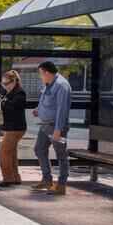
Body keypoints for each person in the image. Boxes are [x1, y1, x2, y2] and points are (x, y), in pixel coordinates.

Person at [31, 61, 72, 195]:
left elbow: (62, 109)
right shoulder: (49, 83)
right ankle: (47, 179)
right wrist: (39, 109)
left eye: (41, 74)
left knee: (61, 155)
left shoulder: (61, 86)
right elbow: (50, 102)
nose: (40, 76)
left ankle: (61, 184)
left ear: (48, 73)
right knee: (39, 149)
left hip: (55, 126)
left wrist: (58, 130)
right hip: (45, 125)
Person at [0, 70, 27, 187]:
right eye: (3, 84)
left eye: (7, 83)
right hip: (9, 127)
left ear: (14, 81)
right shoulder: (6, 91)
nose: (5, 86)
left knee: (3, 151)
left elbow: (15, 105)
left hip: (16, 128)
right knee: (11, 153)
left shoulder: (20, 92)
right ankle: (16, 177)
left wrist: (1, 97)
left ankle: (8, 178)